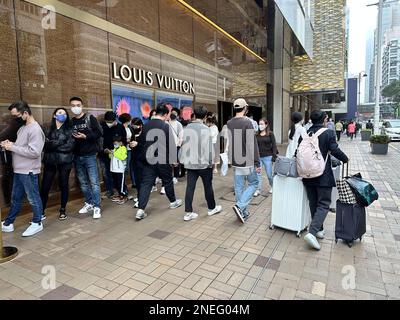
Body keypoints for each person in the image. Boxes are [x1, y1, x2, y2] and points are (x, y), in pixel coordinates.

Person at [301, 110, 349, 250]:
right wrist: (345, 158)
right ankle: (312, 232)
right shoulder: (328, 133)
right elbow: (334, 150)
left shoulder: (305, 133)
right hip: (322, 175)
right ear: (323, 120)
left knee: (314, 203)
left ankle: (319, 229)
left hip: (307, 174)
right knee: (324, 204)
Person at [1, 101, 45, 237]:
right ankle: (8, 223)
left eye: (16, 116)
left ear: (25, 113)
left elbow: (34, 152)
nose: (14, 119)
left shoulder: (35, 129)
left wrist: (12, 147)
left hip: (29, 170)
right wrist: (10, 144)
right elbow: (23, 146)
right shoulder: (23, 128)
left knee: (33, 198)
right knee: (16, 198)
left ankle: (37, 222)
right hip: (19, 170)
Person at [135, 103, 182, 220]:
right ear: (166, 114)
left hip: (148, 159)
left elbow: (141, 142)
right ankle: (173, 202)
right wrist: (173, 160)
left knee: (146, 183)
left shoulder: (146, 125)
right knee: (168, 181)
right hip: (162, 159)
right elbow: (170, 144)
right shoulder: (165, 126)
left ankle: (141, 209)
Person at [179, 106, 222, 221]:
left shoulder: (187, 128)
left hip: (190, 163)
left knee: (190, 187)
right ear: (204, 116)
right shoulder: (206, 129)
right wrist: (212, 163)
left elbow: (184, 145)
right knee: (208, 186)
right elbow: (208, 148)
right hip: (203, 164)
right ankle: (211, 208)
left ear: (194, 114)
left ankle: (188, 212)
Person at [227, 98, 261, 223]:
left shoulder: (229, 123)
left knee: (239, 187)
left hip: (236, 160)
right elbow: (252, 144)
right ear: (245, 108)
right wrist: (257, 162)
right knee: (254, 184)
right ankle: (240, 206)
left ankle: (243, 212)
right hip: (247, 159)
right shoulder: (248, 122)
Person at [70, 97, 103, 219]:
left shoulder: (90, 118)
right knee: (83, 183)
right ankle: (89, 202)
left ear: (82, 105)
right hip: (77, 156)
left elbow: (99, 133)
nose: (76, 107)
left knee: (94, 182)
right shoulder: (71, 121)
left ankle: (97, 206)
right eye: (73, 105)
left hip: (90, 155)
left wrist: (85, 136)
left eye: (78, 105)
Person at [40, 108, 75, 221]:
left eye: (64, 113)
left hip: (65, 161)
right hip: (50, 160)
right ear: (54, 115)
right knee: (45, 186)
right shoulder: (46, 128)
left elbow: (70, 146)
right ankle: (41, 211)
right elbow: (44, 144)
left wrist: (53, 144)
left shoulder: (70, 129)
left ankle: (63, 210)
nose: (62, 115)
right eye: (60, 113)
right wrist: (60, 142)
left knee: (64, 185)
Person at [0, 105, 24, 206]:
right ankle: (9, 201)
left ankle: (11, 201)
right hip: (9, 155)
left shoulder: (16, 124)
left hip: (17, 155)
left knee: (12, 178)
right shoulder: (10, 125)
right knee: (8, 178)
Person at [99, 111, 126, 200]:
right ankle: (109, 191)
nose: (109, 124)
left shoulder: (120, 127)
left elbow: (124, 141)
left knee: (118, 174)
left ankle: (121, 191)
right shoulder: (101, 126)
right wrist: (103, 150)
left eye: (111, 122)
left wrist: (117, 151)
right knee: (106, 174)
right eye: (108, 122)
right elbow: (98, 140)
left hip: (117, 156)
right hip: (104, 155)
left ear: (115, 120)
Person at [254, 119, 278, 197]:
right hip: (259, 157)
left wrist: (274, 156)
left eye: (261, 124)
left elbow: (274, 145)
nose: (260, 125)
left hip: (268, 157)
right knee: (258, 174)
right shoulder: (256, 134)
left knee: (269, 174)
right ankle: (258, 189)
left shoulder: (270, 134)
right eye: (259, 124)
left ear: (266, 125)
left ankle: (272, 186)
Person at [118, 113, 135, 191]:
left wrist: (131, 142)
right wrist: (126, 141)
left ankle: (134, 183)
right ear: (127, 120)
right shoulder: (120, 128)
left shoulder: (130, 128)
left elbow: (132, 137)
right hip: (124, 150)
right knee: (125, 168)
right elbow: (119, 139)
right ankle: (123, 186)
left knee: (132, 167)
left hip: (131, 149)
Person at [110, 135, 128, 204]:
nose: (115, 144)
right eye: (114, 143)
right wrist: (110, 153)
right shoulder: (114, 149)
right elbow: (111, 157)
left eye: (116, 143)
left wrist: (114, 153)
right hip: (114, 169)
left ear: (120, 143)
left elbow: (123, 157)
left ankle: (124, 196)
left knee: (121, 184)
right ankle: (119, 195)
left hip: (120, 170)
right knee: (116, 183)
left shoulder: (123, 148)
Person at [129, 118, 143, 208]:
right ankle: (139, 196)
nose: (133, 128)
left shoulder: (145, 133)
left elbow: (147, 145)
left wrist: (138, 144)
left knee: (141, 179)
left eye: (135, 126)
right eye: (132, 126)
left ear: (140, 125)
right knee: (137, 180)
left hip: (142, 159)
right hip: (134, 158)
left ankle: (141, 198)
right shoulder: (132, 133)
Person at [168, 108, 184, 185]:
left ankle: (175, 177)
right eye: (172, 113)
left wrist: (179, 145)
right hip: (168, 145)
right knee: (169, 162)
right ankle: (169, 176)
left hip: (176, 145)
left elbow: (181, 136)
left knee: (176, 162)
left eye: (175, 113)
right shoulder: (167, 123)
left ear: (177, 115)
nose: (173, 114)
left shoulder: (179, 124)